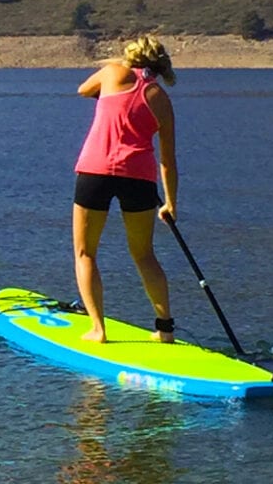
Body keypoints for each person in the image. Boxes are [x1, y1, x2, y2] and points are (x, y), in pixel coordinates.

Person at [71, 34, 177, 344]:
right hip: (139, 177)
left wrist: (108, 94)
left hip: (96, 170)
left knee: (85, 252)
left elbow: (83, 90)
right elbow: (168, 160)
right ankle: (165, 330)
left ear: (131, 56)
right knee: (144, 254)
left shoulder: (111, 72)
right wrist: (170, 203)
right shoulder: (160, 97)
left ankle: (98, 329)